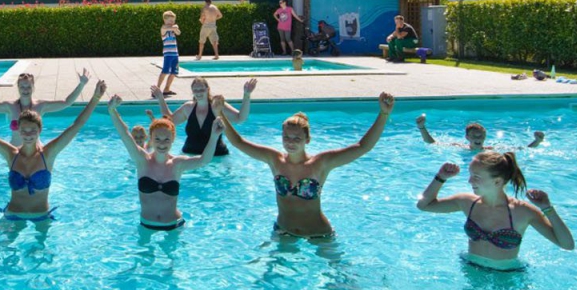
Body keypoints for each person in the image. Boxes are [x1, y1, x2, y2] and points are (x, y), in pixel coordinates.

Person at [212, 92, 396, 240]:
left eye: (296, 138)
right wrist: (220, 113)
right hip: (283, 230)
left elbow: (362, 147)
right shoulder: (274, 159)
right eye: (286, 137)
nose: (290, 142)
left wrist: (384, 114)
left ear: (307, 140)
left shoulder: (320, 163)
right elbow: (238, 142)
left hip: (319, 234)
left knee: (339, 282)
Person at [0, 80, 107, 223]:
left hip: (42, 216)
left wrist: (95, 98)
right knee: (3, 255)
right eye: (24, 130)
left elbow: (76, 126)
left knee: (43, 256)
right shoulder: (11, 154)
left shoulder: (48, 154)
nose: (28, 135)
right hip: (12, 215)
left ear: (40, 130)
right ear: (19, 131)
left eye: (33, 131)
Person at [416, 152, 574, 271]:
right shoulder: (467, 202)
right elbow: (424, 205)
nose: (470, 181)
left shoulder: (522, 212)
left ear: (497, 181)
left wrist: (547, 208)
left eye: (476, 176)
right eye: (470, 175)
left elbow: (567, 245)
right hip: (471, 269)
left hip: (507, 276)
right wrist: (440, 177)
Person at [108, 94, 224, 231]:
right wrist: (112, 111)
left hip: (174, 225)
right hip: (146, 225)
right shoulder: (142, 160)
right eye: (157, 139)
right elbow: (125, 134)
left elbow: (204, 160)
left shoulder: (177, 164)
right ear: (151, 138)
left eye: (166, 140)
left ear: (173, 139)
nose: (162, 144)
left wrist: (214, 136)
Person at [0, 67, 91, 146]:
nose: (25, 89)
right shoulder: (10, 107)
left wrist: (82, 84)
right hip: (15, 153)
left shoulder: (41, 106)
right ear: (18, 88)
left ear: (33, 87)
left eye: (28, 86)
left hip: (36, 153)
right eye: (22, 87)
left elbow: (66, 103)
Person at [150, 76, 257, 156]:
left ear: (207, 89)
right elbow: (169, 121)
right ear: (192, 92)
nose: (198, 93)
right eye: (195, 90)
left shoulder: (217, 106)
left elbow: (240, 118)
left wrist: (246, 95)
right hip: (190, 155)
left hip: (216, 157)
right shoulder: (188, 108)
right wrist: (160, 98)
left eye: (201, 89)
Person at [415, 115, 544, 150]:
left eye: (481, 136)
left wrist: (536, 141)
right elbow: (431, 143)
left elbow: (522, 149)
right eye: (474, 136)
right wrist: (422, 128)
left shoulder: (491, 150)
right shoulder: (459, 147)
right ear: (467, 137)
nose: (478, 138)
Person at [157, 10, 181, 96]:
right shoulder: (163, 29)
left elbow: (179, 33)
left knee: (174, 72)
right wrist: (174, 27)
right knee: (165, 71)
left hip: (175, 53)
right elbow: (165, 29)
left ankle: (167, 88)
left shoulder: (173, 30)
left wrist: (176, 28)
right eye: (170, 20)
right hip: (168, 54)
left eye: (173, 21)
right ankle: (157, 89)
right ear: (165, 20)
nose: (172, 22)